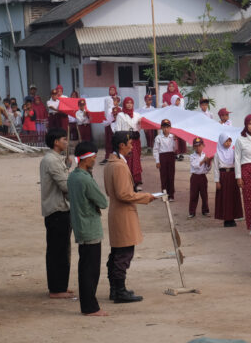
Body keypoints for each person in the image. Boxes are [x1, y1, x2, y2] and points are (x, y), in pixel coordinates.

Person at [104, 131, 156, 303]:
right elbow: (124, 194)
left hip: (118, 212)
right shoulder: (118, 165)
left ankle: (115, 289)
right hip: (123, 213)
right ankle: (119, 291)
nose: (131, 146)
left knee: (118, 252)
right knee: (124, 253)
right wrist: (145, 197)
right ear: (121, 145)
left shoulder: (113, 163)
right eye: (129, 143)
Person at [67, 141, 109, 316]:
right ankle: (90, 307)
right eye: (93, 156)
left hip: (79, 225)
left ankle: (88, 305)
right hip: (90, 227)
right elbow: (103, 201)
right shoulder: (85, 178)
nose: (95, 159)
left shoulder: (73, 176)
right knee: (90, 270)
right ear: (86, 159)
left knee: (85, 266)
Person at [39, 128, 74, 299]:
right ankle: (56, 288)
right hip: (57, 210)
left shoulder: (56, 159)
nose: (66, 142)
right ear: (56, 142)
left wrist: (67, 167)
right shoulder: (51, 160)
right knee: (57, 250)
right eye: (64, 139)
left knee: (63, 249)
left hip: (62, 208)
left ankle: (61, 285)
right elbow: (65, 186)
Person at [213, 132, 243, 227]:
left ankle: (233, 217)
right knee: (225, 198)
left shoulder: (233, 152)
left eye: (230, 141)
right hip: (223, 177)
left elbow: (238, 163)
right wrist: (217, 181)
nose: (228, 143)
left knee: (232, 197)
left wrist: (239, 177)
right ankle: (226, 219)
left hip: (232, 176)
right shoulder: (217, 154)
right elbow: (216, 169)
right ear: (221, 141)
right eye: (226, 141)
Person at [114, 97, 144, 190]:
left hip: (135, 141)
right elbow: (117, 129)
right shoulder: (120, 115)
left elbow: (140, 126)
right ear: (124, 104)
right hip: (125, 141)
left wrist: (139, 126)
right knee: (127, 160)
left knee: (136, 160)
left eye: (131, 103)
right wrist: (123, 138)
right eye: (127, 103)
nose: (129, 104)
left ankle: (136, 182)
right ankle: (127, 182)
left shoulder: (137, 115)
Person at [152, 119, 176, 201]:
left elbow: (175, 148)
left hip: (171, 156)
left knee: (171, 176)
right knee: (164, 177)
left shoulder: (173, 137)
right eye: (164, 127)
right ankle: (165, 194)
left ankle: (171, 195)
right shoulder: (158, 137)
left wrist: (176, 140)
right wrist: (157, 161)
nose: (166, 129)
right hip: (162, 156)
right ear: (161, 128)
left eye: (167, 127)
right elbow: (155, 150)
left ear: (170, 128)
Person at [188, 137, 212, 218]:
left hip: (202, 177)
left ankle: (205, 210)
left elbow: (207, 169)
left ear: (203, 146)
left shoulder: (205, 155)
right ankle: (192, 212)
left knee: (204, 195)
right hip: (195, 177)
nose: (198, 148)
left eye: (200, 145)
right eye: (196, 146)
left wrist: (208, 162)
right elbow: (195, 165)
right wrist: (203, 161)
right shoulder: (192, 156)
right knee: (193, 195)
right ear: (194, 147)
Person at [100, 96, 119, 164]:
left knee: (112, 142)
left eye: (109, 102)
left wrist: (107, 122)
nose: (108, 103)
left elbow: (113, 119)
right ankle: (108, 156)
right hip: (108, 127)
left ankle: (112, 157)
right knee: (108, 142)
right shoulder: (107, 109)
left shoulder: (115, 109)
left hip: (113, 127)